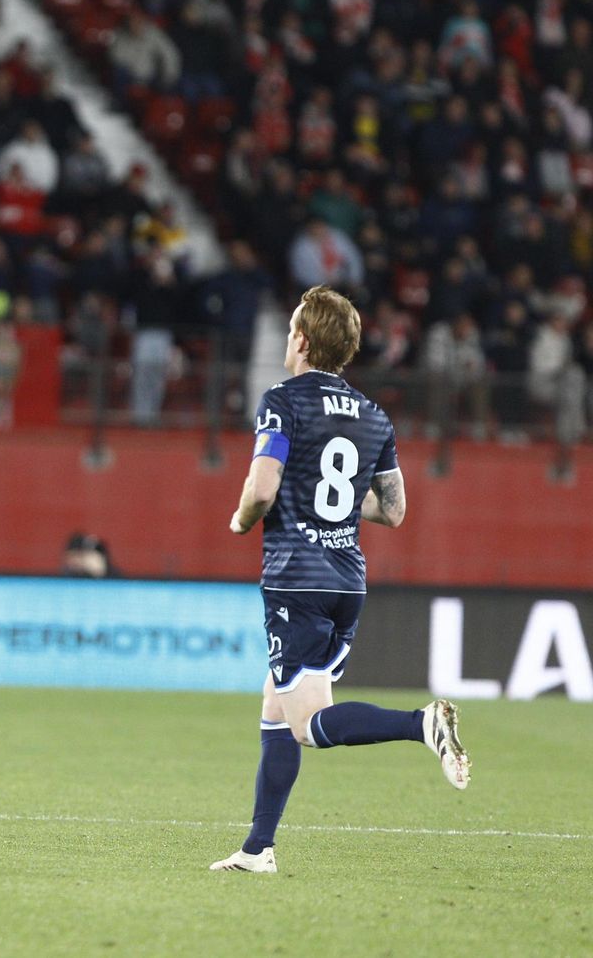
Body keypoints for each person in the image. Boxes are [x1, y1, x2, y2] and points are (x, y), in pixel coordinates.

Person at [211, 286, 470, 874]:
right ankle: (258, 849)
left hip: (295, 578)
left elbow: (262, 488)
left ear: (302, 340)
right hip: (345, 580)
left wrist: (242, 518)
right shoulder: (375, 416)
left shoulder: (282, 401)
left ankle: (421, 724)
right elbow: (394, 509)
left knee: (306, 725)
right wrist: (330, 507)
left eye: (290, 330)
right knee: (276, 707)